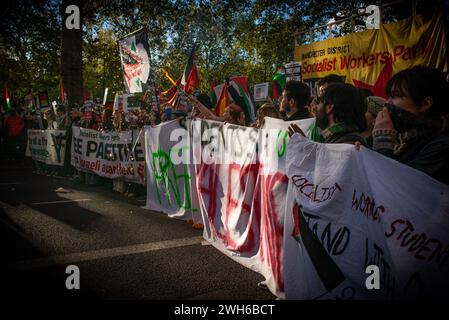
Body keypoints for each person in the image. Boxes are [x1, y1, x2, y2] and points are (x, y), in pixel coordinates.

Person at [372, 66, 449, 184]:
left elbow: (398, 188)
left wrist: (383, 143)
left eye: (396, 95)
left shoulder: (440, 147)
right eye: (389, 96)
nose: (388, 103)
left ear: (425, 104)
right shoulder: (399, 137)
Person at [289, 83, 367, 145]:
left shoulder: (346, 146)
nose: (316, 107)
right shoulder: (343, 140)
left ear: (329, 107)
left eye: (319, 102)